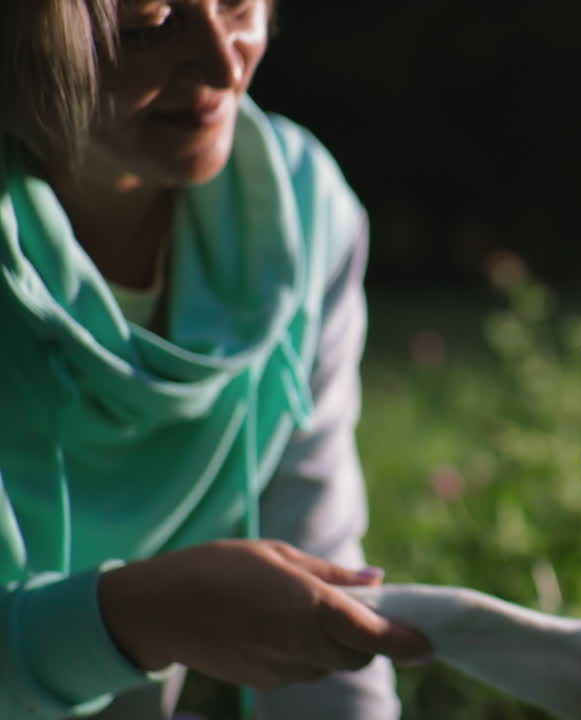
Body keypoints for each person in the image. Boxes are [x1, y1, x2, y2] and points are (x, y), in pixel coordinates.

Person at [0, 1, 432, 718]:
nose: (226, 63)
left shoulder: (302, 210)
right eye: (146, 26)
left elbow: (318, 578)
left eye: (238, 4)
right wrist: (143, 618)